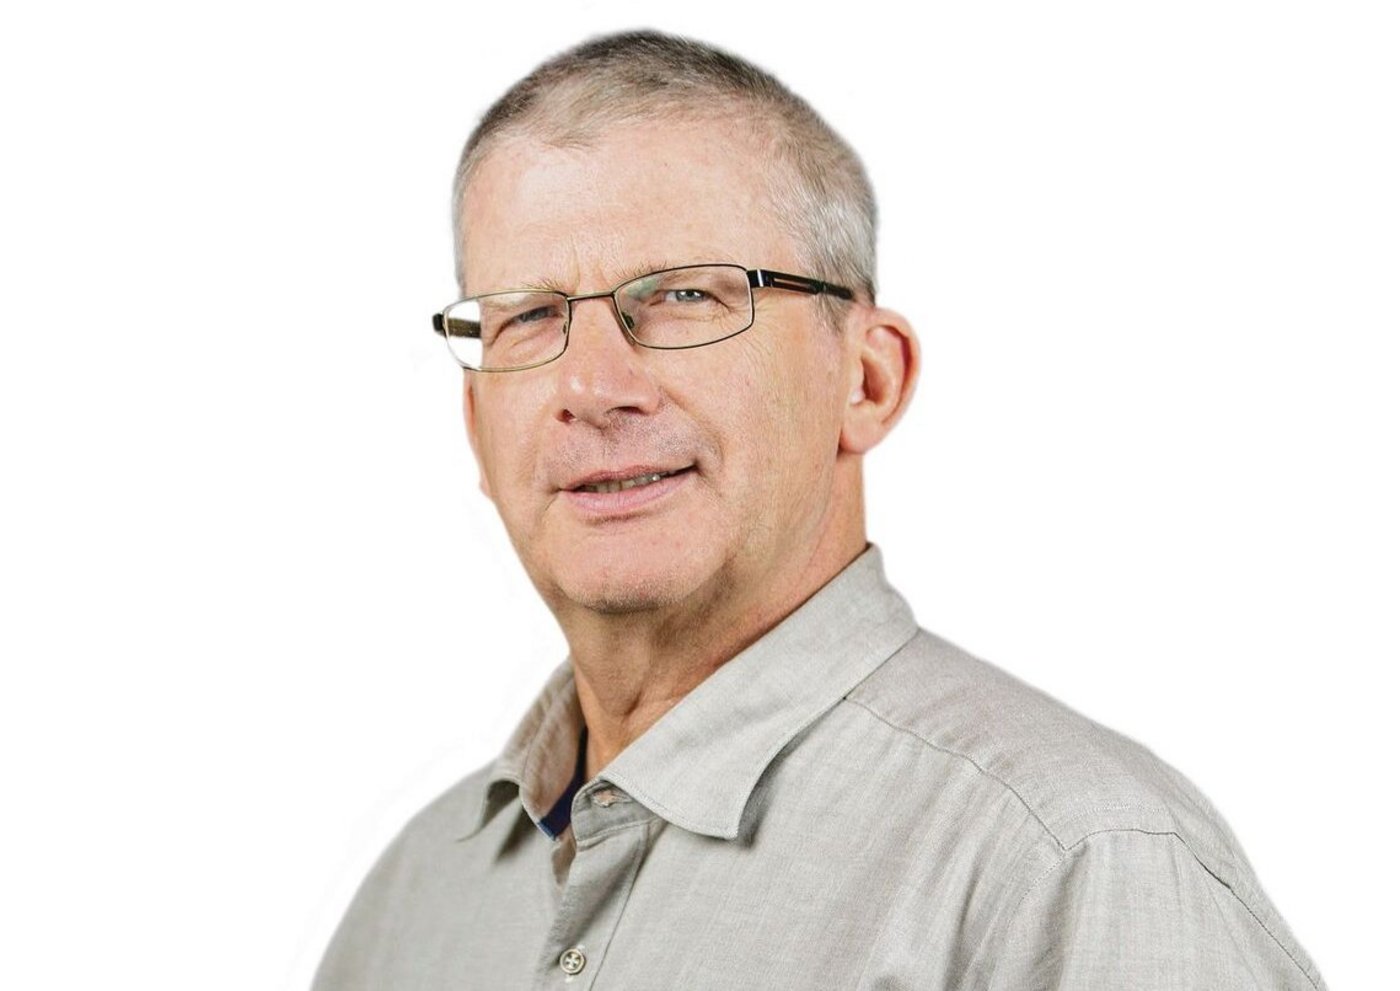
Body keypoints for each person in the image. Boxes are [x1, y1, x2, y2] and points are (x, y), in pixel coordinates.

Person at [313, 30, 1325, 990]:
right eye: (531, 316)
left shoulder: (1069, 864)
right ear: (475, 421)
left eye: (684, 296)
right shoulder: (413, 901)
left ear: (867, 380)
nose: (591, 386)